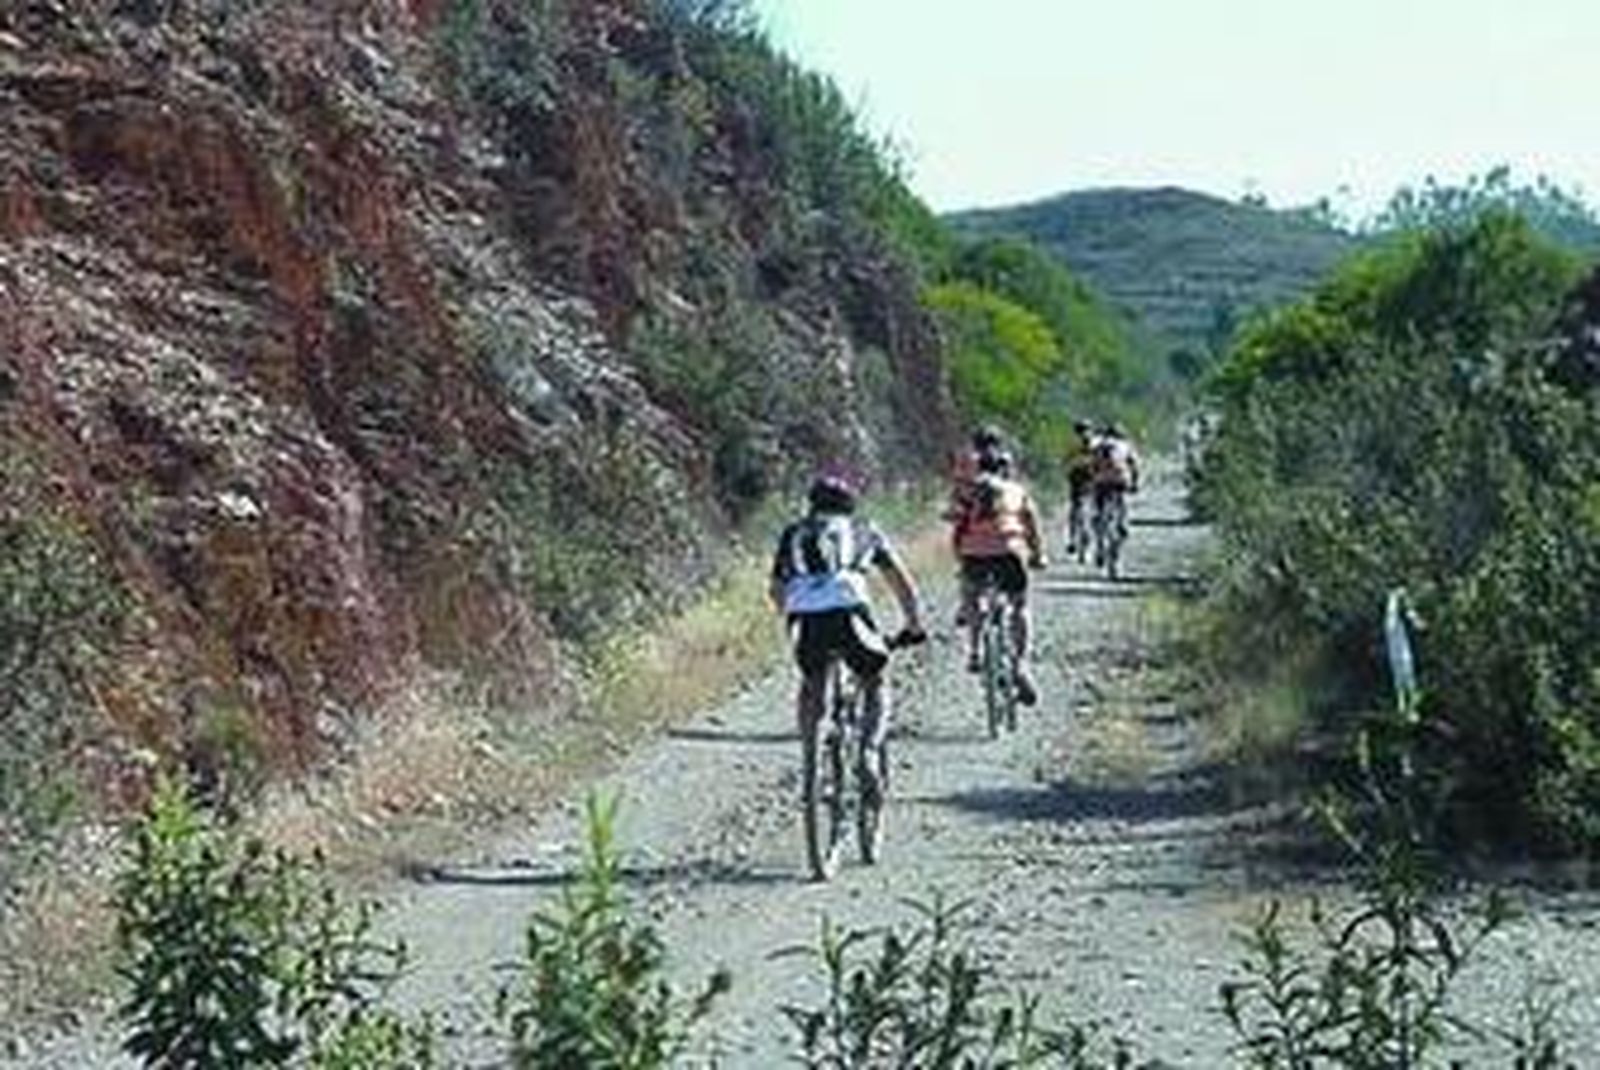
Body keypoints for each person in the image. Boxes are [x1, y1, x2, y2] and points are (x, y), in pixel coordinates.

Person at [770, 474, 926, 804]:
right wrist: (912, 624)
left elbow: (777, 589)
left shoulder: (793, 533)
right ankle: (869, 751)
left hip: (805, 617)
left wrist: (793, 613)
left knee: (812, 680)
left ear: (811, 504)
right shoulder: (864, 531)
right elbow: (900, 580)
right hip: (850, 611)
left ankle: (811, 757)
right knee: (875, 679)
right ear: (850, 505)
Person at [951, 446, 1047, 705]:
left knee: (970, 593)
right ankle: (1021, 666)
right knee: (1020, 605)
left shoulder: (966, 489)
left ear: (979, 467)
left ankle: (975, 649)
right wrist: (1039, 554)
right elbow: (1031, 523)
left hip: (974, 556)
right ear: (1004, 468)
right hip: (1009, 554)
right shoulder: (1016, 490)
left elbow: (955, 519)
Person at [1090, 422, 1141, 565]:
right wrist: (1135, 483)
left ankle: (1099, 546)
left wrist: (1094, 479)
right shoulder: (1125, 445)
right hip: (1120, 480)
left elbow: (1092, 465)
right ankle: (1122, 525)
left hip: (1101, 482)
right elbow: (1135, 465)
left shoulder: (1098, 446)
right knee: (1121, 506)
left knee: (1098, 515)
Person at [1064, 419, 1098, 561]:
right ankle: (1089, 542)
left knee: (1075, 510)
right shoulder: (1096, 443)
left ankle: (1072, 539)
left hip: (1077, 480)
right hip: (1092, 480)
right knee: (1091, 511)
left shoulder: (1073, 444)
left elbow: (1066, 462)